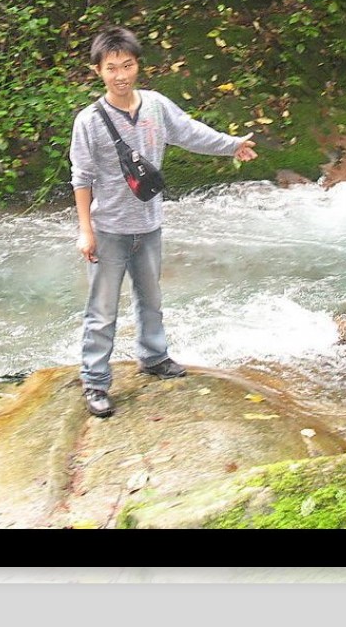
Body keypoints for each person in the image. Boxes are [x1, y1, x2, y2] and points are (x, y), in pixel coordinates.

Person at [69, 26, 258, 417]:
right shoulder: (89, 120)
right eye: (111, 68)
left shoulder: (155, 105)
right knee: (102, 311)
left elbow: (190, 133)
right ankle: (96, 381)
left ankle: (154, 357)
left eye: (128, 65)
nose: (121, 75)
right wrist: (85, 230)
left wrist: (232, 144)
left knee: (151, 299)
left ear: (138, 65)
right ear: (98, 72)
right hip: (109, 229)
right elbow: (82, 177)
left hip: (150, 223)